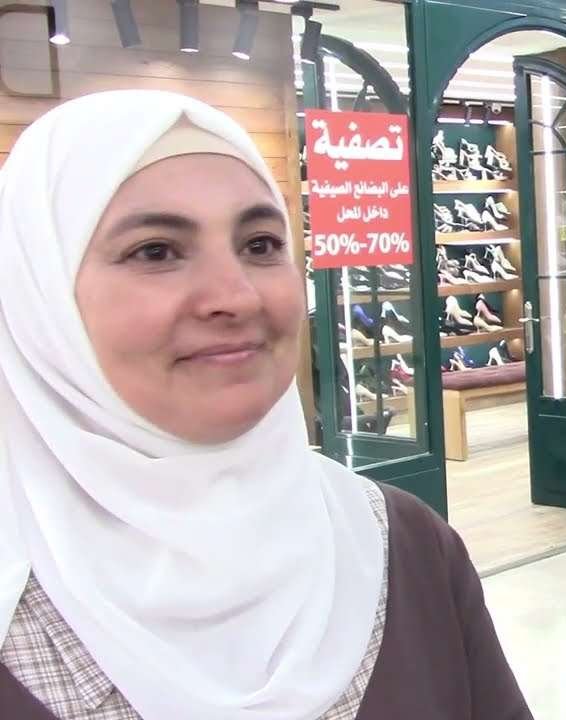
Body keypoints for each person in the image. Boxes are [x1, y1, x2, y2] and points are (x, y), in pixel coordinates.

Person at [0, 90, 532, 720]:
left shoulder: (405, 546)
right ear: (39, 299)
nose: (237, 296)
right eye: (156, 251)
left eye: (259, 244)